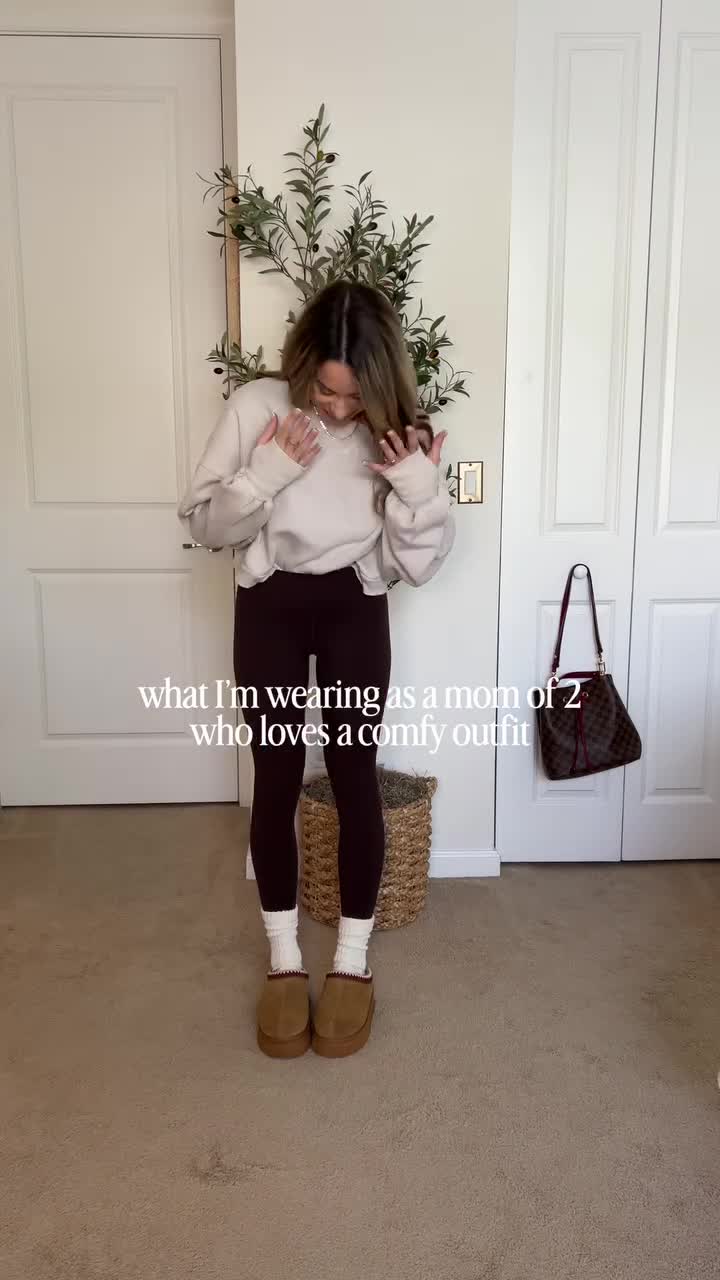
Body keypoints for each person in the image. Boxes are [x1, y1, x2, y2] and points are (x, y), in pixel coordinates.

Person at [177, 280, 455, 1058]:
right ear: (304, 366)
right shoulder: (258, 407)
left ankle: (353, 962)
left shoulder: (396, 436)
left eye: (353, 398)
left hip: (353, 608)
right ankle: (283, 957)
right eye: (324, 391)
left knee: (353, 775)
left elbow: (420, 566)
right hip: (268, 603)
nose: (335, 410)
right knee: (275, 776)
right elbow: (204, 524)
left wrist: (419, 490)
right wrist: (266, 473)